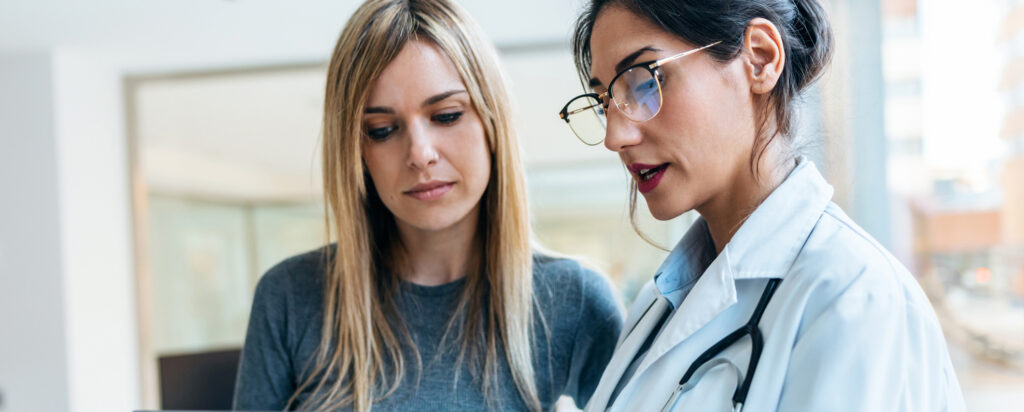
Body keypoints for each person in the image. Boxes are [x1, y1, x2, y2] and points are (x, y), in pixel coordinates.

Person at [557, 0, 965, 411]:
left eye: (644, 82)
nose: (615, 136)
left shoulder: (856, 297)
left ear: (760, 58)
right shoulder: (655, 305)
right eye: (605, 101)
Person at [232, 0, 623, 410]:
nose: (420, 154)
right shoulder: (290, 298)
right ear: (355, 150)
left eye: (447, 115)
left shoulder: (573, 299)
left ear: (493, 123)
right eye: (382, 130)